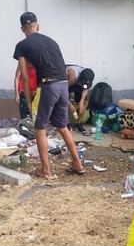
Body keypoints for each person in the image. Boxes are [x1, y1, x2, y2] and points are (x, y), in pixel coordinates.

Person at [13, 12, 85, 179]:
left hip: (48, 85)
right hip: (63, 85)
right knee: (62, 126)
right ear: (38, 26)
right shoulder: (52, 41)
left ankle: (45, 170)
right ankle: (77, 164)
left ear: (22, 29)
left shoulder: (22, 45)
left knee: (40, 128)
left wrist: (30, 103)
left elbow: (24, 77)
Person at [66, 65, 95, 133]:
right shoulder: (72, 76)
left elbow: (85, 89)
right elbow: (62, 91)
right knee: (63, 103)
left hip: (78, 86)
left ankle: (78, 124)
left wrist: (81, 102)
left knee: (84, 102)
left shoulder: (89, 76)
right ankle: (67, 123)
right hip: (66, 87)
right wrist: (69, 104)